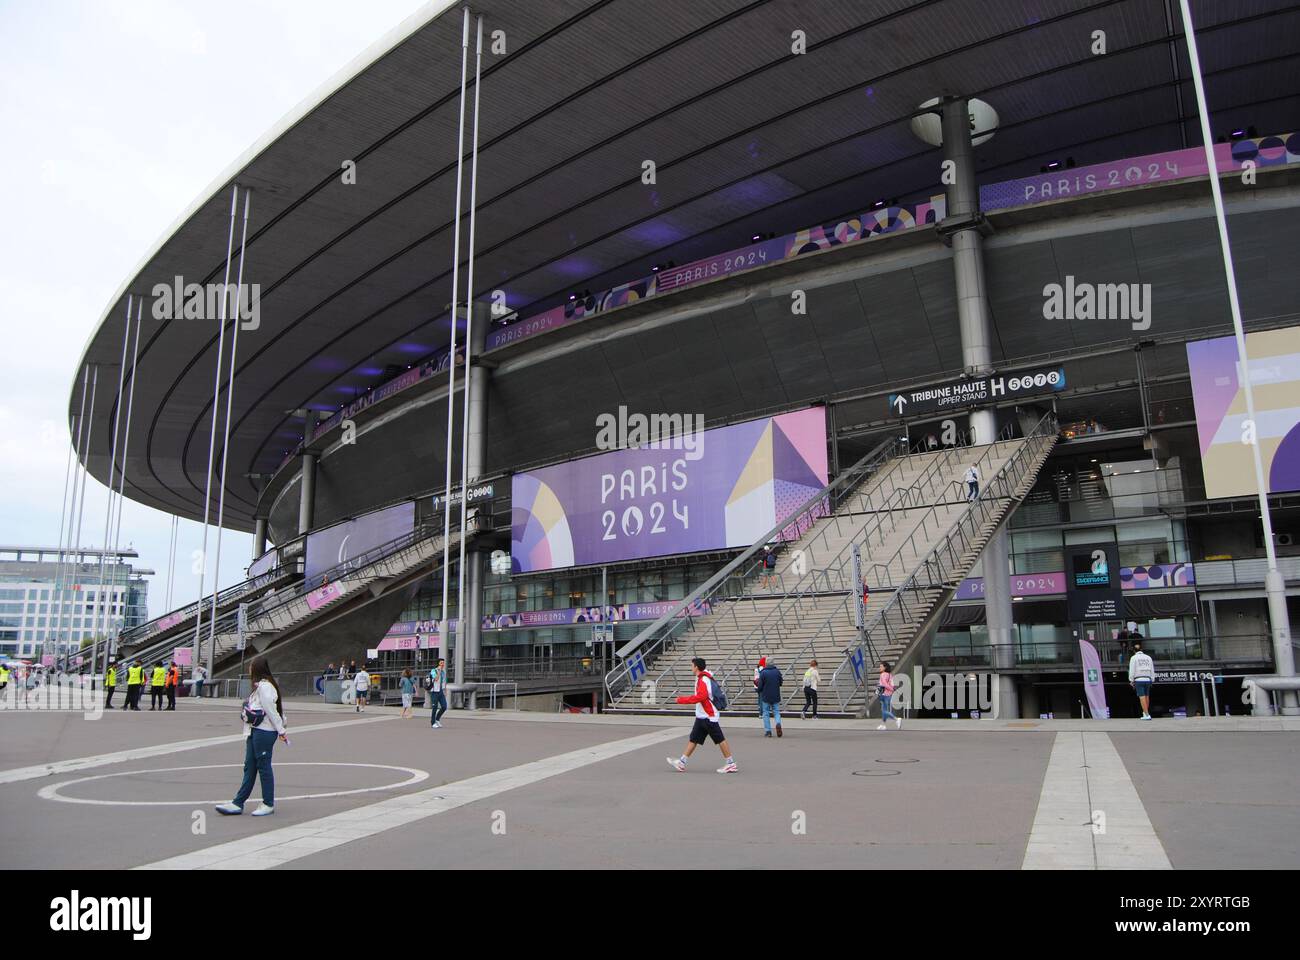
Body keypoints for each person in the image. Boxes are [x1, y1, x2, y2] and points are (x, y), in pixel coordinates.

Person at [215, 656, 287, 817]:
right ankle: (238, 802)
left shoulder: (265, 687)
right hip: (255, 731)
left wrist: (281, 730)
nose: (249, 669)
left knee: (263, 766)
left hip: (264, 731)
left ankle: (268, 803)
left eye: (250, 666)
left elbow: (271, 710)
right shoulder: (260, 687)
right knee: (250, 766)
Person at [666, 657, 737, 774]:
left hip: (708, 716)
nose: (691, 668)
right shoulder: (702, 678)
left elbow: (701, 697)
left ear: (696, 667)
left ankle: (731, 764)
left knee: (720, 739)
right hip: (702, 716)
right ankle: (682, 762)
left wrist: (681, 700)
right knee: (693, 739)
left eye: (692, 666)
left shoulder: (703, 679)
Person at [756, 657, 783, 738]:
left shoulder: (763, 673)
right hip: (775, 695)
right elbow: (781, 682)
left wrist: (758, 690)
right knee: (776, 711)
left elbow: (760, 685)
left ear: (766, 663)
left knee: (766, 713)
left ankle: (768, 731)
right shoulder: (777, 672)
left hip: (766, 696)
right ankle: (778, 723)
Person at [1128, 641, 1155, 720]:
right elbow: (1152, 669)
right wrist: (1152, 679)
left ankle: (1146, 714)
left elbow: (1132, 670)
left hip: (1139, 679)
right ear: (1141, 649)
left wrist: (1131, 680)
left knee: (1142, 697)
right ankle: (1145, 712)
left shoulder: (1133, 658)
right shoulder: (1148, 657)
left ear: (1134, 650)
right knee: (1147, 696)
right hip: (1148, 678)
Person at [877, 661, 901, 730]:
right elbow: (892, 685)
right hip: (889, 694)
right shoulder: (890, 675)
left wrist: (890, 689)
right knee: (884, 710)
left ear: (885, 667)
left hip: (883, 694)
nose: (880, 668)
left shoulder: (883, 674)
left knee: (884, 711)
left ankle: (896, 719)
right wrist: (892, 690)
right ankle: (883, 725)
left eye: (881, 666)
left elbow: (884, 684)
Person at [427, 658, 448, 728]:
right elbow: (436, 679)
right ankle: (433, 722)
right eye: (441, 663)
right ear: (438, 663)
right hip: (434, 691)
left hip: (441, 691)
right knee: (434, 707)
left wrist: (445, 691)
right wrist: (438, 671)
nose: (442, 664)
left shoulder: (443, 672)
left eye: (443, 663)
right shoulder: (433, 670)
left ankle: (437, 719)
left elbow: (444, 682)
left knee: (444, 706)